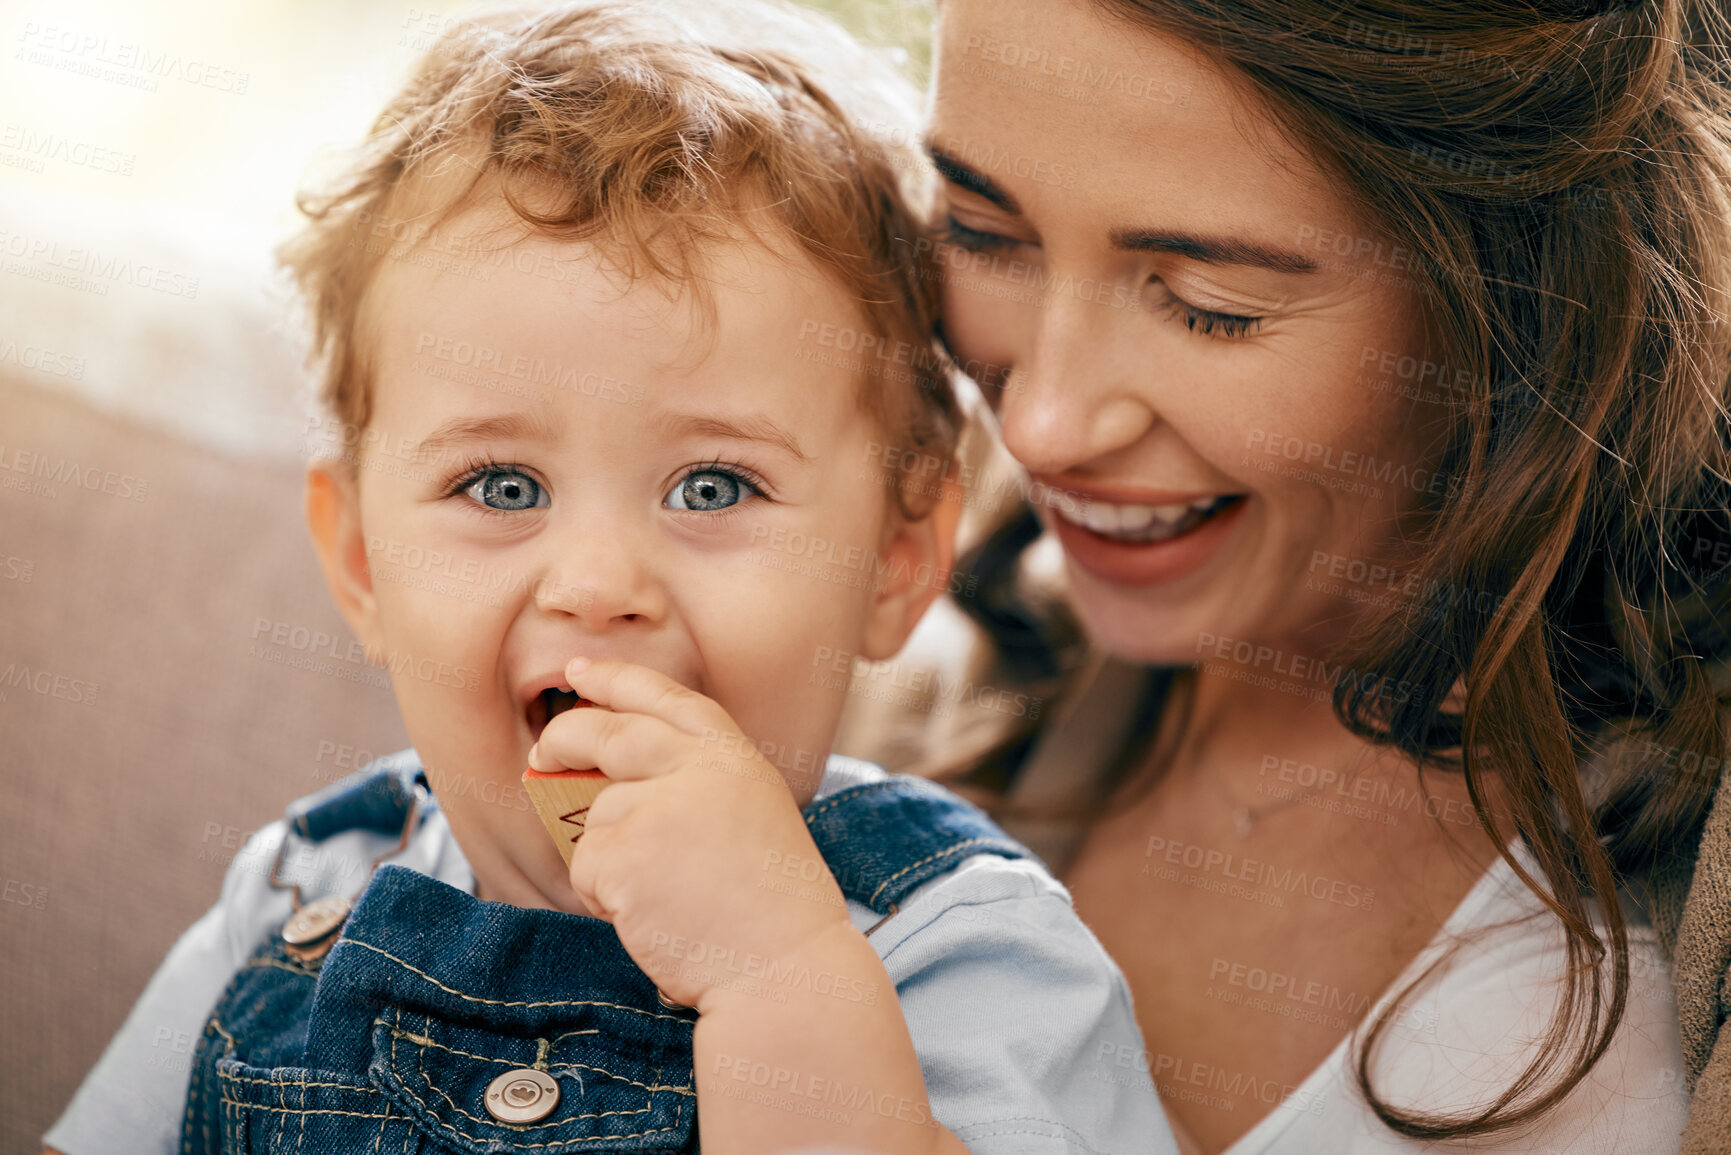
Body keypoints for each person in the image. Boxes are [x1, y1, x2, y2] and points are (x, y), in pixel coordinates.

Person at [38, 3, 1179, 1153]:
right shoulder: (299, 892)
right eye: (502, 486)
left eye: (714, 488)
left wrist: (776, 973)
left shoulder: (970, 953)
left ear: (895, 558)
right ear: (362, 563)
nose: (595, 584)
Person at [909, 0, 1729, 1151]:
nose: (1042, 428)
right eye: (983, 230)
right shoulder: (900, 690)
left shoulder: (1683, 890)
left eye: (1214, 310)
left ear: (1531, 304)